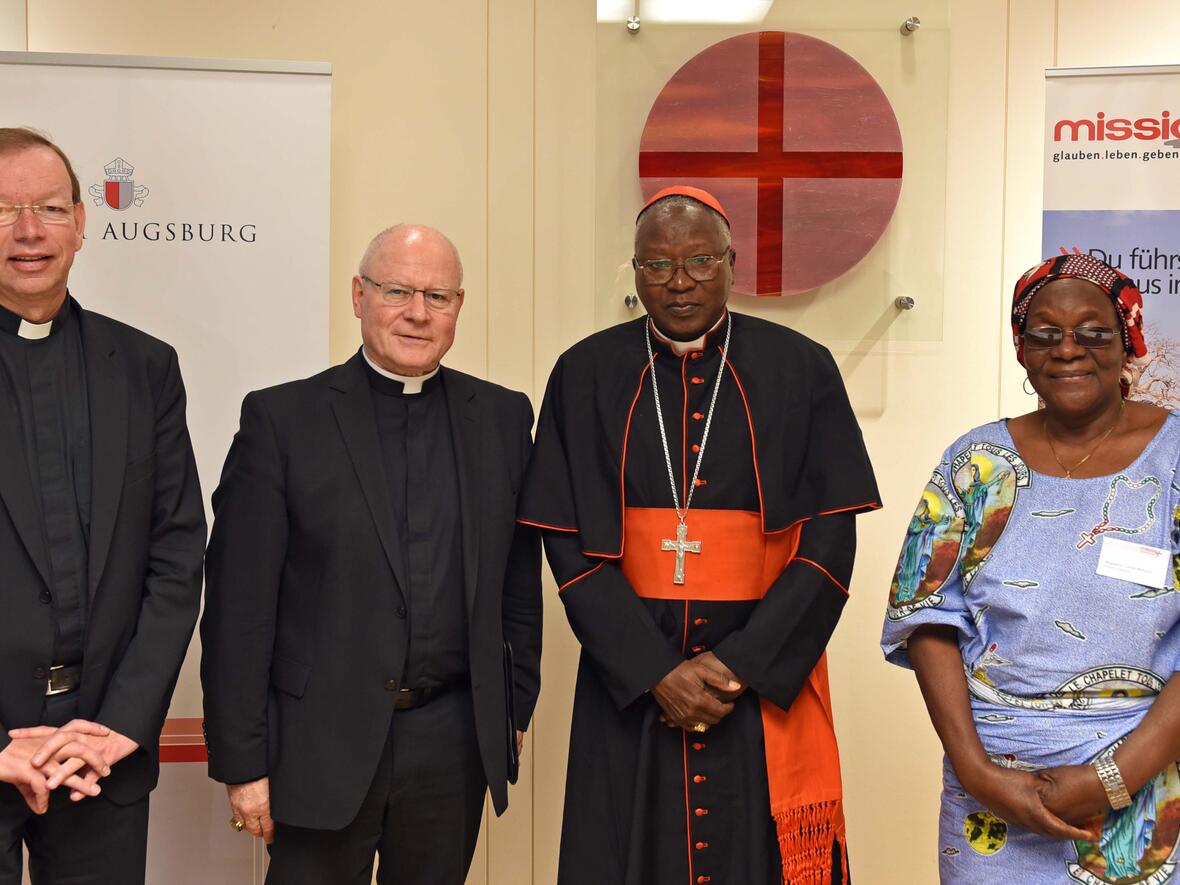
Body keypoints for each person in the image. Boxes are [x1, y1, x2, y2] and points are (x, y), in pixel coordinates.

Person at [519, 186, 880, 884]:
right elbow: (566, 544)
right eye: (656, 265)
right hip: (630, 687)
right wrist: (655, 670)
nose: (678, 281)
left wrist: (741, 662)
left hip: (754, 683)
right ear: (634, 270)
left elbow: (830, 540)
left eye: (700, 260)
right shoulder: (584, 373)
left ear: (732, 264)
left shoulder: (800, 368)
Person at [200, 223, 542, 885]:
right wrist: (243, 763)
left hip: (451, 745)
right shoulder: (283, 421)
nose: (418, 313)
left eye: (437, 296)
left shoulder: (501, 418)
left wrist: (512, 709)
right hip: (318, 742)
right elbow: (239, 611)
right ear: (359, 295)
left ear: (458, 307)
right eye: (398, 291)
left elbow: (517, 586)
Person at [882, 253, 1180, 882]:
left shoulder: (1174, 461)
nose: (1068, 350)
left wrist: (1111, 780)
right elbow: (927, 616)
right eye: (1045, 333)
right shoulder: (976, 463)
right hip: (991, 789)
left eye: (1093, 332)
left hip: (1141, 784)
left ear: (1129, 341)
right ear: (1021, 348)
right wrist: (977, 772)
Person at [0, 127, 206, 883]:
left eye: (50, 207)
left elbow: (178, 555)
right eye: (4, 209)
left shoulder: (146, 368)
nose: (29, 230)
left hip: (100, 752)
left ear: (82, 223)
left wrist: (117, 723)